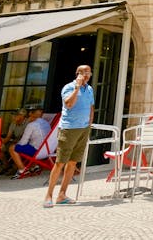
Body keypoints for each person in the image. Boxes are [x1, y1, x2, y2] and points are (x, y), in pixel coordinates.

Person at [44, 65, 93, 207]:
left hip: (83, 129)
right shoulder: (69, 87)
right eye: (83, 72)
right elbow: (69, 104)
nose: (86, 75)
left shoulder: (89, 89)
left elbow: (91, 107)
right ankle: (48, 195)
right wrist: (77, 87)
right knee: (60, 162)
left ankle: (62, 195)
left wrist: (89, 123)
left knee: (73, 162)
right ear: (77, 73)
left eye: (88, 72)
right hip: (69, 129)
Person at [10, 105, 51, 178]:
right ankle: (35, 166)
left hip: (37, 151)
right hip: (47, 150)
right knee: (29, 145)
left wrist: (16, 143)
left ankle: (22, 170)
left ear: (30, 114)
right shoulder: (46, 123)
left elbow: (23, 143)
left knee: (12, 148)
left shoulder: (31, 125)